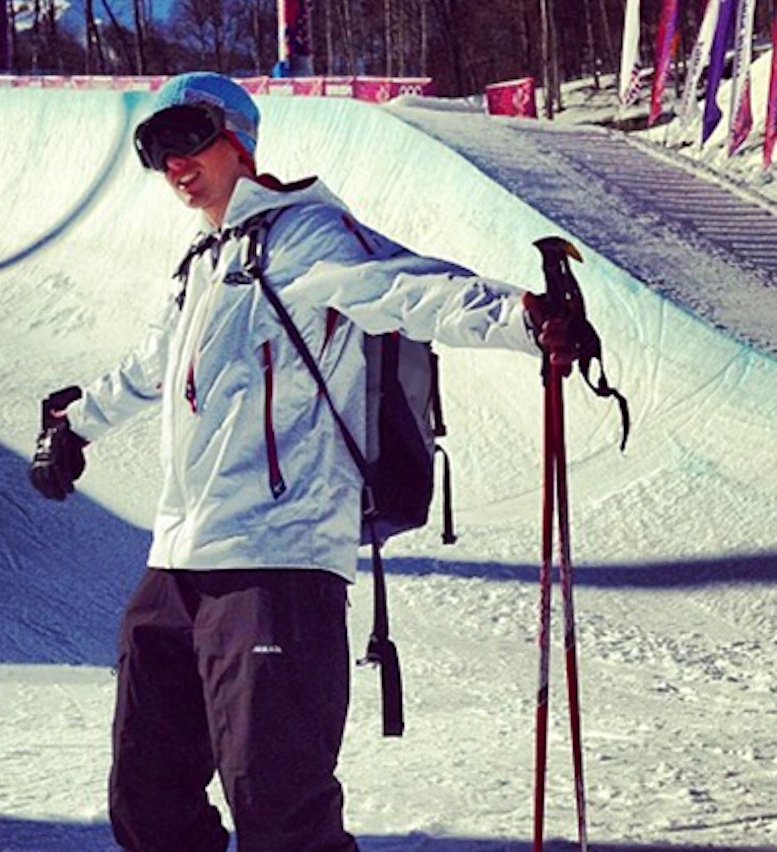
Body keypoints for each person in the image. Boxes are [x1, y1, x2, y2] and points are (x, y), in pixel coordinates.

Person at [29, 71, 576, 852]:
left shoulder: (305, 236)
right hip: (180, 562)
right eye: (154, 149)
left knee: (281, 812)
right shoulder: (200, 268)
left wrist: (525, 317)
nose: (172, 162)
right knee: (147, 804)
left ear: (237, 138)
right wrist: (73, 427)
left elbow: (408, 288)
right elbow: (147, 370)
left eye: (186, 137)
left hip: (278, 562)